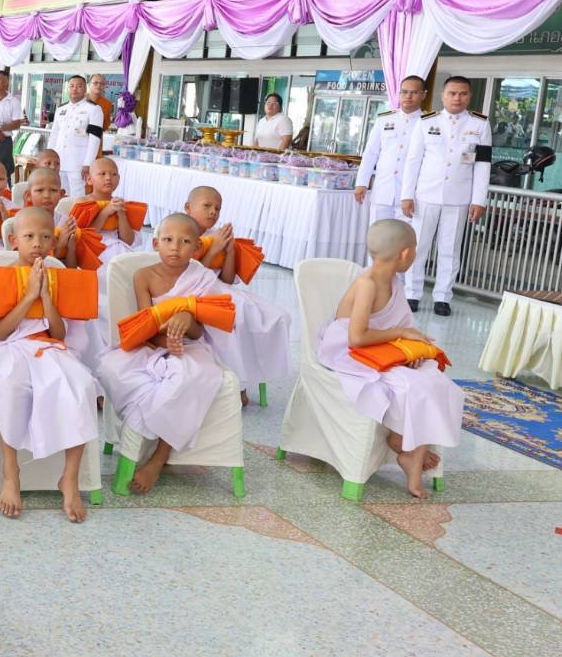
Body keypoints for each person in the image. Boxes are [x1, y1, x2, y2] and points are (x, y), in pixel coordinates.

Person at [317, 219, 463, 498]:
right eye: (415, 249)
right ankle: (408, 448)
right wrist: (400, 334)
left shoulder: (394, 281)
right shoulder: (367, 283)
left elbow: (401, 324)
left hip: (381, 346)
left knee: (435, 378)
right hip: (349, 352)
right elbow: (356, 337)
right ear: (405, 253)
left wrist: (410, 351)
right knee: (416, 385)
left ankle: (406, 445)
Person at [95, 213, 229, 494]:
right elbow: (146, 324)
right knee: (112, 368)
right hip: (150, 344)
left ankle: (159, 458)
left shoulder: (203, 278)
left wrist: (187, 317)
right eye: (168, 240)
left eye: (185, 242)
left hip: (190, 347)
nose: (175, 247)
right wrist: (165, 341)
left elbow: (199, 332)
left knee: (188, 378)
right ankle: (138, 438)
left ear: (197, 247)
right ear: (156, 243)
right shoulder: (144, 276)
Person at [0, 208, 98, 520]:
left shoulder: (60, 277)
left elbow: (60, 333)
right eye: (29, 236)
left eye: (45, 237)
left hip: (50, 347)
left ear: (54, 243)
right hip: (12, 348)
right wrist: (29, 296)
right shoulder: (2, 276)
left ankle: (70, 479)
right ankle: (11, 472)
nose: (37, 243)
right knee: (11, 386)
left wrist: (46, 296)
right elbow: (0, 332)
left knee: (82, 385)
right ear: (14, 241)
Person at [184, 185, 291, 402]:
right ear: (188, 207)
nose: (213, 212)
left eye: (217, 208)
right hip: (195, 291)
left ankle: (255, 372)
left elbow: (227, 278)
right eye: (207, 206)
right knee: (235, 319)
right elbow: (190, 276)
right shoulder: (180, 233)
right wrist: (214, 249)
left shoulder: (217, 235)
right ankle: (236, 386)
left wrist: (230, 250)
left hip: (221, 287)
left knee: (277, 316)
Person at [400, 76, 490, 315]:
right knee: (418, 247)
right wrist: (407, 195)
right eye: (452, 93)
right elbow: (413, 160)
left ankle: (443, 297)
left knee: (450, 250)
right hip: (425, 195)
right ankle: (412, 294)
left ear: (469, 96)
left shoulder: (480, 125)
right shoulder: (426, 121)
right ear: (442, 96)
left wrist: (478, 200)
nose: (457, 98)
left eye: (463, 93)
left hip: (459, 197)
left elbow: (482, 165)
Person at [355, 76, 429, 224]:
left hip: (412, 195)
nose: (408, 96)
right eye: (404, 92)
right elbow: (371, 153)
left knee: (407, 237)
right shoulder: (384, 120)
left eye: (414, 92)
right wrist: (362, 182)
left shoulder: (429, 122)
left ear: (423, 95)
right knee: (378, 234)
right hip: (383, 190)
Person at [50, 74, 100, 196]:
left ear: (85, 88)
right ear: (67, 88)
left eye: (79, 86)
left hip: (78, 162)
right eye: (71, 86)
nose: (75, 89)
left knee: (77, 197)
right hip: (59, 161)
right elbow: (54, 134)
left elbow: (95, 139)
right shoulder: (61, 109)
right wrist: (49, 158)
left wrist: (88, 163)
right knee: (59, 195)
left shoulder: (93, 109)